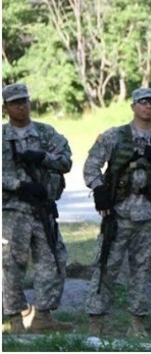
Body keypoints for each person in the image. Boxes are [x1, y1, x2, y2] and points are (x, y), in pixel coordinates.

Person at [83, 87, 151, 337]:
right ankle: (96, 323)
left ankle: (137, 324)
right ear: (133, 106)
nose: (148, 107)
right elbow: (91, 167)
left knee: (144, 270)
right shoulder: (114, 137)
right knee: (106, 267)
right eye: (143, 102)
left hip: (149, 217)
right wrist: (99, 190)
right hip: (118, 216)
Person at [2, 83, 73, 333]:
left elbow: (66, 161)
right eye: (15, 102)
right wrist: (18, 185)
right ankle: (15, 319)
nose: (21, 106)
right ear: (6, 107)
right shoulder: (2, 137)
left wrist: (43, 158)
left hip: (43, 209)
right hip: (12, 212)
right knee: (11, 264)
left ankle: (43, 315)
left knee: (53, 260)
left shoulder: (46, 133)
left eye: (24, 101)